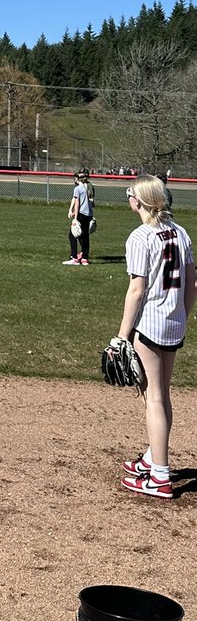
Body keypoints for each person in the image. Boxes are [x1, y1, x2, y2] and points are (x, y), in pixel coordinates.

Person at [115, 175, 195, 499]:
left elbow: (136, 290)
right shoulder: (181, 232)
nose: (128, 197)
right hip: (173, 324)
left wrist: (121, 336)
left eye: (130, 193)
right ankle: (153, 455)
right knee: (162, 394)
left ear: (141, 202)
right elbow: (192, 284)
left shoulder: (140, 237)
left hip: (149, 326)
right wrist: (182, 317)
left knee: (154, 398)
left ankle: (160, 476)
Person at [63, 170, 93, 265]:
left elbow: (77, 203)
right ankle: (84, 258)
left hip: (81, 214)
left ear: (78, 179)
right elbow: (89, 203)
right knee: (84, 236)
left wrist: (75, 217)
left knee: (72, 235)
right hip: (88, 214)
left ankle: (74, 258)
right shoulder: (87, 189)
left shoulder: (78, 189)